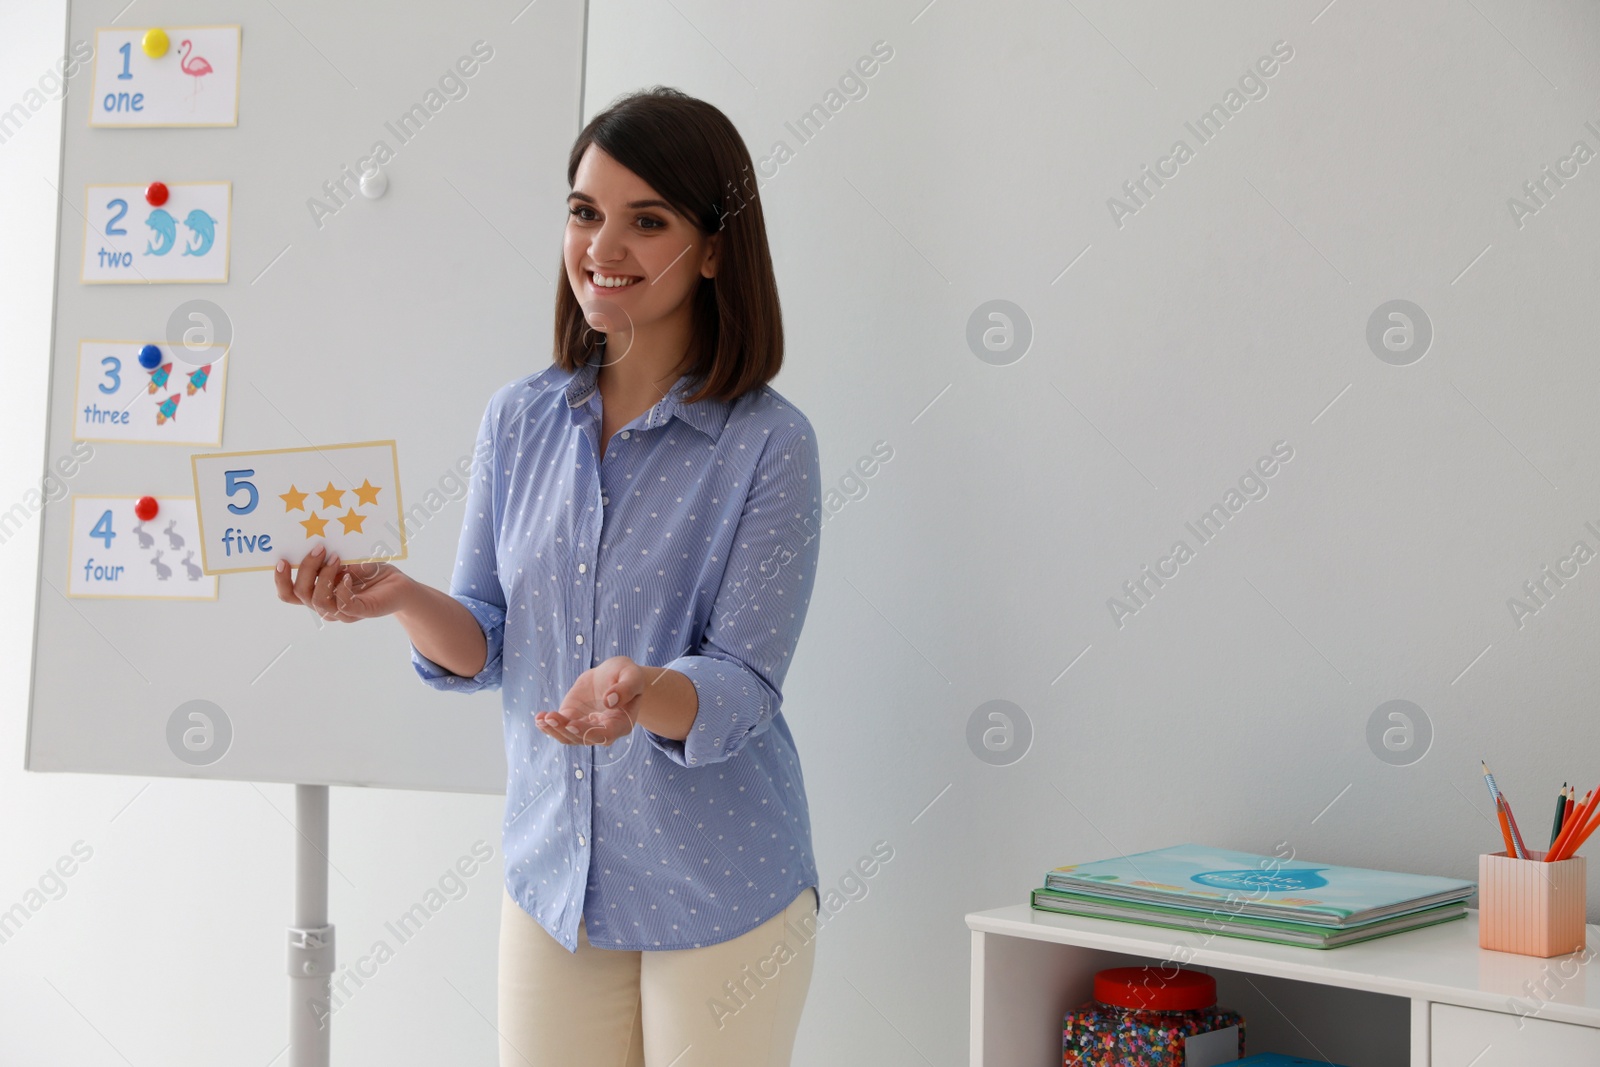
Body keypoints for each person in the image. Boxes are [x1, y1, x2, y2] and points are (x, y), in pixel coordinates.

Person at [274, 86, 824, 1066]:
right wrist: (401, 597)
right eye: (584, 211)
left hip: (721, 884)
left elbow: (743, 681)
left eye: (645, 219)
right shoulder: (520, 419)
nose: (601, 246)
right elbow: (487, 635)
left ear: (712, 247)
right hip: (554, 879)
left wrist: (645, 691)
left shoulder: (769, 444)